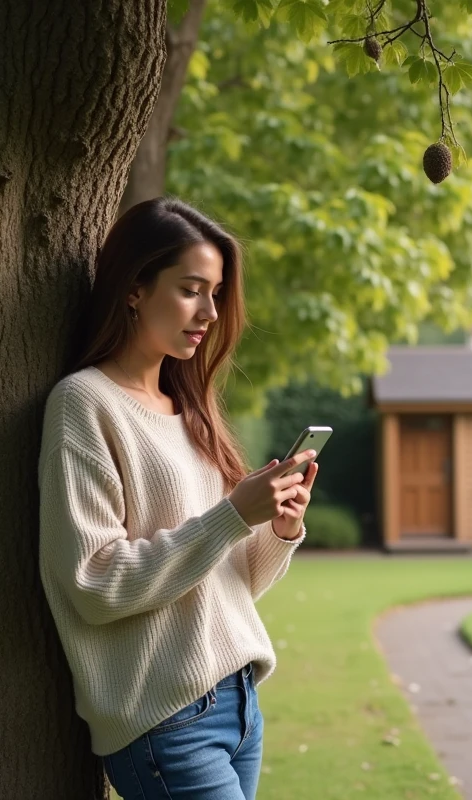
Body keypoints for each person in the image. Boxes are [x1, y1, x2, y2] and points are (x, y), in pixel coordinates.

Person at [37, 196, 317, 800]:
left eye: (216, 294)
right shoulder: (85, 404)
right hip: (164, 718)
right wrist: (232, 515)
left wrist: (277, 529)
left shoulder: (191, 410)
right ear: (135, 288)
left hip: (239, 704)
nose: (211, 312)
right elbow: (94, 583)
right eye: (192, 289)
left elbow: (224, 583)